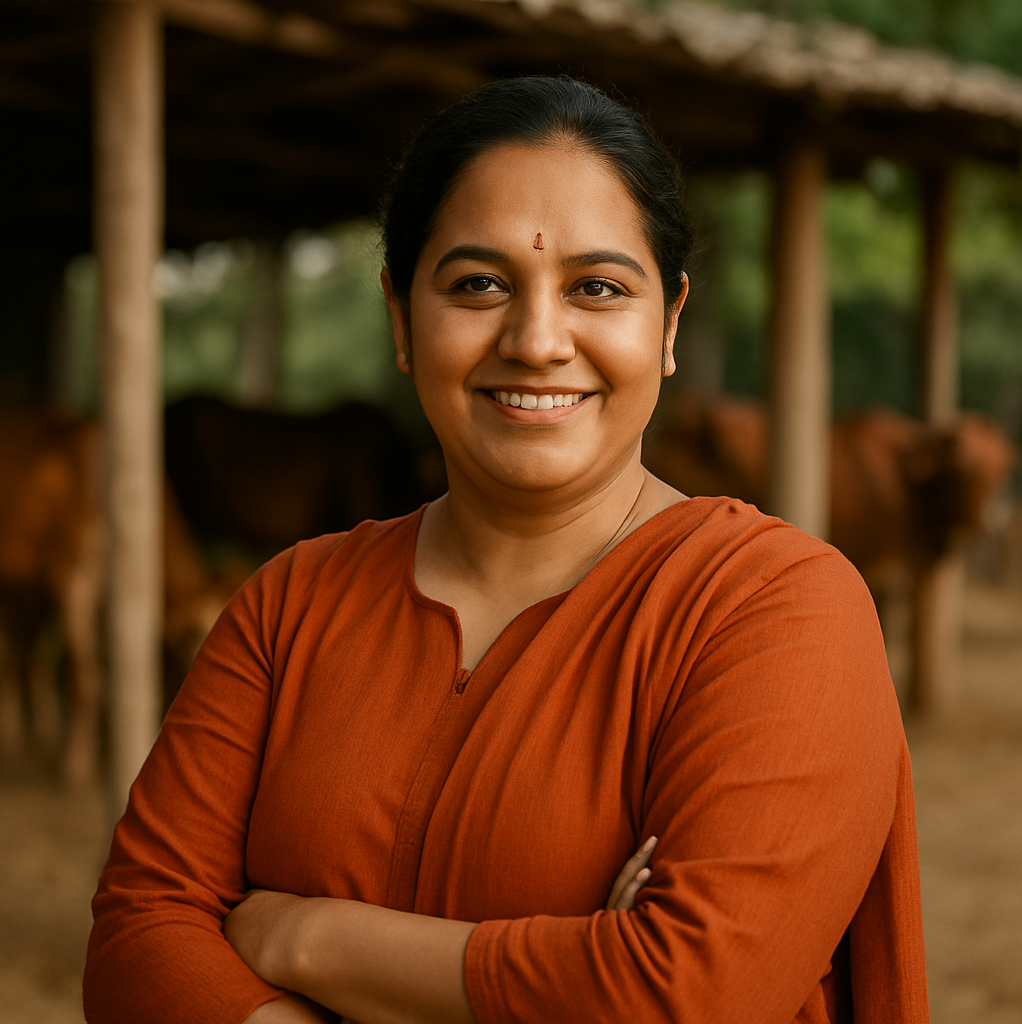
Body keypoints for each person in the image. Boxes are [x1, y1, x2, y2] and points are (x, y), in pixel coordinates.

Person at [83, 76, 929, 1023]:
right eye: (478, 284)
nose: (536, 340)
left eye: (597, 288)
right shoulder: (290, 605)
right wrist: (569, 974)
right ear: (402, 318)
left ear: (671, 324)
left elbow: (690, 995)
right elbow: (135, 945)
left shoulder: (772, 607)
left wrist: (300, 939)